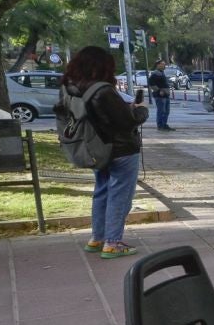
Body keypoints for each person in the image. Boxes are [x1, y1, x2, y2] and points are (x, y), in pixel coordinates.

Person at [62, 46, 147, 259]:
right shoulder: (103, 90)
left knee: (101, 191)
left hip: (95, 148)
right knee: (120, 195)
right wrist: (140, 110)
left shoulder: (71, 88)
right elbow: (126, 121)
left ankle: (97, 238)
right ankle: (113, 242)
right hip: (120, 149)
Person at [147, 61, 173, 131]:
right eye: (163, 64)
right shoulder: (155, 73)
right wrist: (159, 91)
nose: (164, 66)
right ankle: (160, 126)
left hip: (166, 95)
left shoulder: (162, 73)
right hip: (160, 96)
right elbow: (151, 83)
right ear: (158, 65)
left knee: (166, 111)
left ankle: (164, 125)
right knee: (161, 111)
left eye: (164, 64)